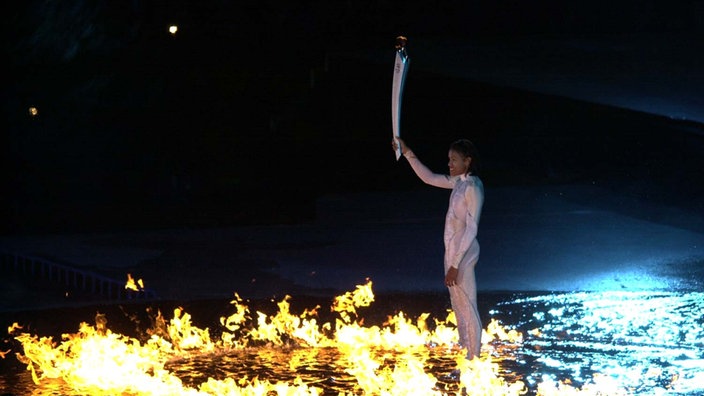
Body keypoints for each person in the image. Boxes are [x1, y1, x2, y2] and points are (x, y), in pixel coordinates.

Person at [392, 137, 485, 359]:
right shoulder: (459, 182)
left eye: (454, 160)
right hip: (452, 251)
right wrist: (408, 153)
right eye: (448, 159)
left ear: (468, 161)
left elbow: (472, 229)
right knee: (458, 306)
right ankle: (466, 355)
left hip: (464, 252)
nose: (449, 164)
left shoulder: (473, 187)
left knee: (468, 305)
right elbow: (429, 178)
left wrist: (455, 264)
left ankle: (474, 360)